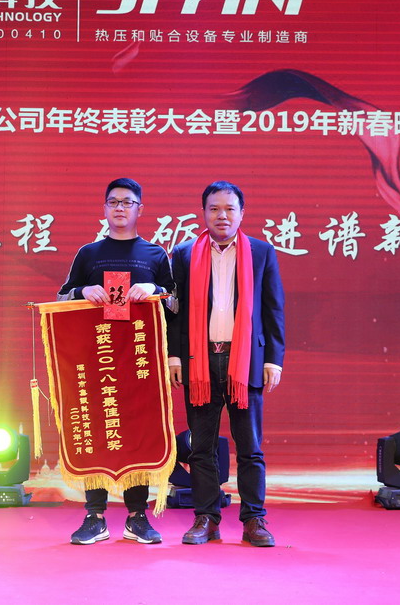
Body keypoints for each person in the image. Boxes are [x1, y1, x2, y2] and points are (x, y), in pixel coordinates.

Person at [167, 181, 285, 548]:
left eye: (230, 209)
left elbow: (273, 309)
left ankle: (254, 520)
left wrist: (273, 360)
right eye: (214, 208)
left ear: (241, 213)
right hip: (199, 362)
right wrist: (174, 355)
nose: (222, 215)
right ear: (203, 213)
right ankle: (206, 518)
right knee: (201, 448)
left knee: (250, 447)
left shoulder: (262, 253)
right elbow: (174, 312)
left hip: (245, 361)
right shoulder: (183, 254)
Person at [58, 177, 175, 545]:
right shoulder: (88, 253)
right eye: (113, 202)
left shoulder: (155, 255)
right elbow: (60, 298)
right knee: (97, 428)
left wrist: (156, 289)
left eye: (127, 202)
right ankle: (94, 516)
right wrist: (82, 290)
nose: (120, 208)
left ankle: (137, 516)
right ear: (104, 208)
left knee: (138, 432)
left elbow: (176, 303)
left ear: (140, 209)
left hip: (140, 363)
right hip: (97, 359)